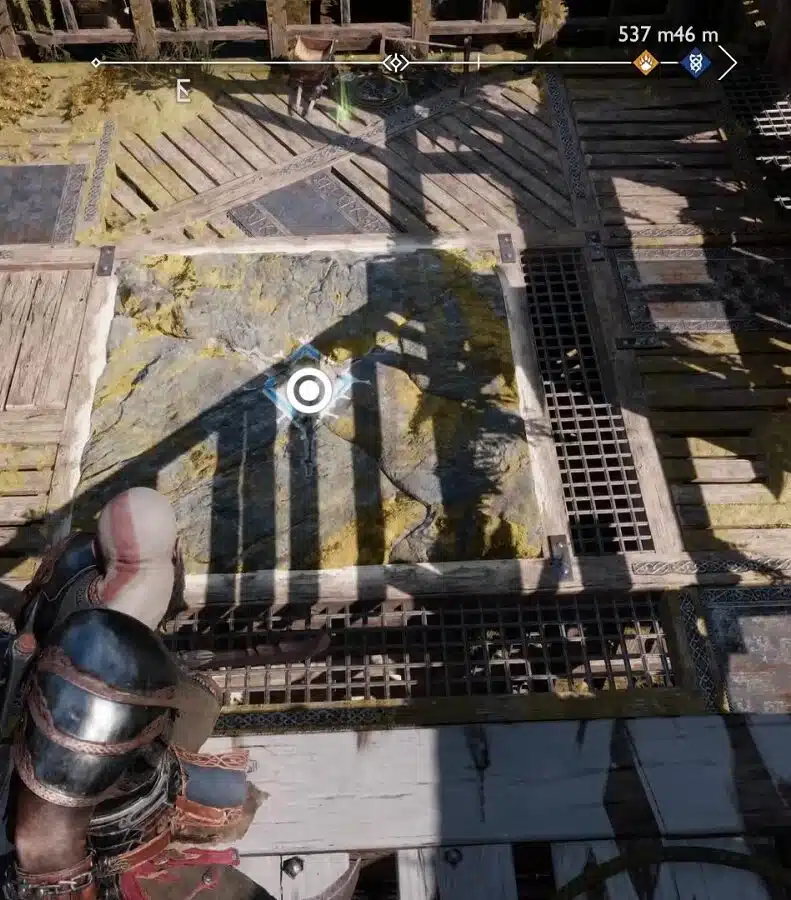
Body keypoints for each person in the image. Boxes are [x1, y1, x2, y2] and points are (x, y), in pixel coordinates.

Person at [0, 488, 331, 899]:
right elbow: (46, 849)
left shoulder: (77, 571)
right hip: (88, 841)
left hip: (78, 748)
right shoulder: (104, 660)